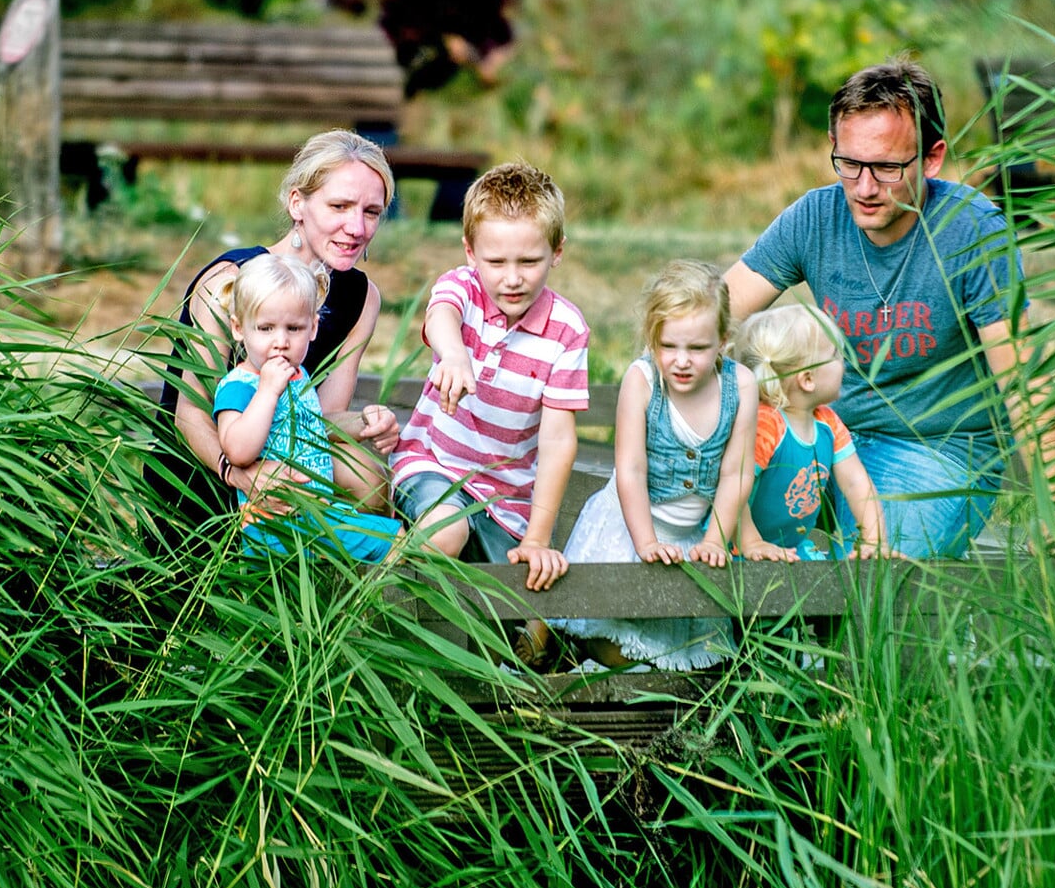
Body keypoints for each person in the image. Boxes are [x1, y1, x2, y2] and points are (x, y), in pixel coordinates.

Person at [723, 54, 1055, 558]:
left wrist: (1054, 512)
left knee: (872, 576)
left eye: (886, 167)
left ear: (932, 158)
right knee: (703, 511)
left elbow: (1023, 383)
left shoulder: (971, 230)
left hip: (936, 453)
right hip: (822, 439)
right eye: (850, 164)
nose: (863, 188)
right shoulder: (815, 218)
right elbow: (712, 312)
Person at [150, 130, 402, 554]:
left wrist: (365, 425)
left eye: (371, 212)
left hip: (290, 461)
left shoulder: (362, 299)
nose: (356, 227)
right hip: (209, 471)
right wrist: (243, 474)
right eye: (339, 206)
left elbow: (320, 418)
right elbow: (187, 413)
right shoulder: (231, 280)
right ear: (297, 203)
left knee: (367, 469)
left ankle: (341, 594)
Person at [550, 260, 758, 671]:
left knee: (693, 656)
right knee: (613, 638)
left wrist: (715, 539)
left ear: (723, 341)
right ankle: (570, 643)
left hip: (690, 534)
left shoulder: (741, 386)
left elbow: (735, 473)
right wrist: (644, 541)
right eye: (669, 346)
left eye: (698, 348)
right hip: (632, 523)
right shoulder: (642, 380)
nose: (682, 361)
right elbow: (630, 470)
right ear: (652, 339)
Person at [390, 161, 588, 594]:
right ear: (470, 253)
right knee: (445, 533)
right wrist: (455, 354)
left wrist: (538, 536)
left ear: (557, 252)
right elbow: (442, 312)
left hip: (506, 498)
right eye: (495, 261)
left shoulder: (567, 330)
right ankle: (382, 567)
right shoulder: (464, 288)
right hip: (433, 465)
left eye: (530, 261)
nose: (512, 278)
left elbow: (557, 439)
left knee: (527, 601)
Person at [211, 253, 404, 562]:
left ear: (313, 328)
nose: (281, 341)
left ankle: (352, 605)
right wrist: (268, 391)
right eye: (265, 328)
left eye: (294, 328)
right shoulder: (240, 386)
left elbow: (311, 426)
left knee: (392, 532)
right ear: (238, 328)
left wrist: (362, 423)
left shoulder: (300, 377)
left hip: (316, 515)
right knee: (395, 541)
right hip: (274, 524)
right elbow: (236, 450)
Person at [732, 303, 887, 562]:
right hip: (738, 545)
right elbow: (733, 487)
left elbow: (856, 482)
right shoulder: (766, 424)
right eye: (836, 354)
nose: (844, 362)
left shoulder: (827, 422)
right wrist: (750, 542)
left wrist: (874, 540)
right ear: (807, 379)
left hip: (793, 547)